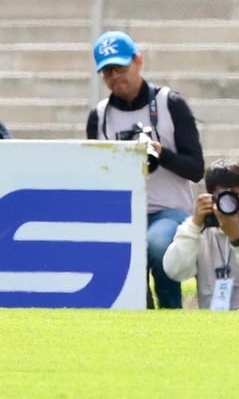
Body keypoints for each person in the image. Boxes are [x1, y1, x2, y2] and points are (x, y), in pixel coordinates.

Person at [86, 30, 205, 309]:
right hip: (122, 211)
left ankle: (170, 309)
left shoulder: (170, 103)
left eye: (121, 67)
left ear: (138, 61)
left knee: (157, 243)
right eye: (107, 72)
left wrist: (160, 153)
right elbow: (95, 172)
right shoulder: (100, 116)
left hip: (169, 209)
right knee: (117, 251)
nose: (115, 77)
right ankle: (137, 313)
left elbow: (196, 169)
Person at [162, 158, 239, 310]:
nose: (233, 204)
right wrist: (194, 226)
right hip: (214, 324)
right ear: (211, 197)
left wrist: (238, 239)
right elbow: (175, 271)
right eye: (225, 197)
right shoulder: (201, 223)